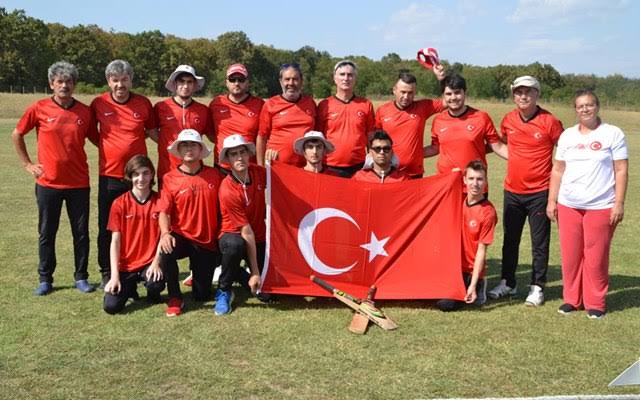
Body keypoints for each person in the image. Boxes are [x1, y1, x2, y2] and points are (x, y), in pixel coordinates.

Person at [11, 61, 98, 295]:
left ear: (74, 84)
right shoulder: (39, 108)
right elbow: (17, 133)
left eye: (68, 81)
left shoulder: (84, 112)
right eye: (60, 81)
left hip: (79, 183)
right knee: (47, 233)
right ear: (51, 84)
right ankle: (45, 279)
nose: (64, 86)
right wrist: (28, 164)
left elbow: (99, 140)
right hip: (48, 183)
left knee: (81, 234)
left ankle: (81, 277)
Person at [547, 89, 628, 319]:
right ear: (575, 109)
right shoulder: (567, 136)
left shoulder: (612, 133)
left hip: (601, 205)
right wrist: (552, 200)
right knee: (571, 256)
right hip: (568, 204)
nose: (585, 109)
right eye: (580, 106)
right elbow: (558, 170)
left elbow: (621, 170)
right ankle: (572, 300)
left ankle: (595, 302)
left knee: (596, 257)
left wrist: (619, 202)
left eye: (589, 104)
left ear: (597, 106)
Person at [488, 76, 564, 306]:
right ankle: (508, 282)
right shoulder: (508, 119)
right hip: (512, 190)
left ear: (537, 94)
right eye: (519, 92)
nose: (523, 96)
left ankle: (537, 286)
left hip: (540, 192)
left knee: (539, 243)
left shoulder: (550, 121)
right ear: (514, 95)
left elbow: (566, 150)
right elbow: (503, 144)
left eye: (528, 92)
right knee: (510, 240)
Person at [92, 60, 158, 288]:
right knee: (107, 227)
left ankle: (142, 268)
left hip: (138, 177)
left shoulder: (143, 103)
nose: (120, 84)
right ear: (108, 81)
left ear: (131, 80)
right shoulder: (99, 103)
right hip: (109, 176)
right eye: (115, 80)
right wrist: (109, 147)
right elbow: (91, 133)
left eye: (124, 79)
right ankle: (107, 271)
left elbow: (152, 131)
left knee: (142, 224)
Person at [157, 129, 224, 317]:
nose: (189, 149)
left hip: (206, 240)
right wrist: (165, 234)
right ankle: (175, 297)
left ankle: (198, 274)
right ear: (178, 150)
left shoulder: (214, 175)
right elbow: (163, 212)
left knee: (202, 295)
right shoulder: (169, 178)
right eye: (184, 145)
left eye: (193, 145)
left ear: (200, 149)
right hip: (181, 236)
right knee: (166, 251)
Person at [103, 155, 165, 314]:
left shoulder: (160, 201)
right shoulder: (119, 203)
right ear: (130, 177)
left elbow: (163, 236)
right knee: (111, 307)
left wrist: (156, 263)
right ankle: (129, 287)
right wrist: (114, 276)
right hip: (126, 265)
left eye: (145, 173)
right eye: (136, 174)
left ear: (152, 175)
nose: (141, 179)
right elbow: (115, 242)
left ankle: (152, 293)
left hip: (149, 263)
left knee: (156, 284)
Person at [424, 73, 507, 187]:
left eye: (457, 92)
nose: (453, 97)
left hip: (475, 185)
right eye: (449, 94)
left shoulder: (481, 117)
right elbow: (435, 148)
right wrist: (410, 154)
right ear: (443, 96)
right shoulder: (438, 120)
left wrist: (523, 158)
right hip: (446, 185)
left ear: (465, 93)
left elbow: (498, 147)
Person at [436, 160, 498, 311]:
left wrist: (472, 285)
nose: (475, 184)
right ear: (464, 180)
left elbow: (481, 250)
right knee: (428, 292)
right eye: (471, 178)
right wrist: (453, 175)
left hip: (469, 270)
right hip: (452, 265)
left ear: (486, 182)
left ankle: (478, 284)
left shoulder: (487, 213)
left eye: (479, 179)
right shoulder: (458, 199)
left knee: (445, 304)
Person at [216, 135, 267, 315]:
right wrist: (255, 272)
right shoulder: (227, 189)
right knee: (235, 246)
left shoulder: (259, 172)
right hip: (234, 235)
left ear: (249, 154)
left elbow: (282, 183)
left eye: (242, 152)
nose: (239, 158)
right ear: (228, 160)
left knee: (267, 294)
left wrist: (274, 162)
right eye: (233, 154)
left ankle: (238, 273)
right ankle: (224, 289)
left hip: (258, 235)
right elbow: (246, 232)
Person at [375, 69, 446, 179]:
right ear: (394, 90)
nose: (406, 97)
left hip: (414, 174)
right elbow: (375, 141)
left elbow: (448, 101)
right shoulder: (382, 111)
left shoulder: (423, 107)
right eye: (403, 92)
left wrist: (442, 80)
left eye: (410, 93)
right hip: (389, 172)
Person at [154, 65, 212, 185]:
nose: (185, 86)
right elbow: (150, 130)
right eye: (182, 81)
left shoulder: (203, 110)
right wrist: (165, 142)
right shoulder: (161, 107)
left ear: (194, 85)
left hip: (195, 172)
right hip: (167, 171)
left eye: (189, 82)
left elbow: (212, 136)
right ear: (175, 83)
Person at [315, 60, 375, 177]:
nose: (346, 78)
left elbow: (370, 136)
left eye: (350, 75)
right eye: (342, 74)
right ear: (334, 78)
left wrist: (372, 159)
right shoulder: (324, 105)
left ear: (355, 79)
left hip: (359, 165)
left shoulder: (366, 104)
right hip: (330, 166)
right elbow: (318, 137)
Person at [256, 63, 316, 167]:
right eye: (287, 79)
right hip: (277, 166)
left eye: (295, 79)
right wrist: (261, 167)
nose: (291, 83)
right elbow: (262, 137)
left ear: (301, 81)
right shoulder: (270, 104)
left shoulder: (310, 103)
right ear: (280, 82)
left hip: (305, 167)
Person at [210, 63, 264, 172]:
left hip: (248, 167)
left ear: (248, 82)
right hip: (222, 167)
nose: (236, 83)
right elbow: (210, 134)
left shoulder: (260, 105)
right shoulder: (216, 103)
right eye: (232, 80)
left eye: (241, 80)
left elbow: (263, 137)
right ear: (226, 82)